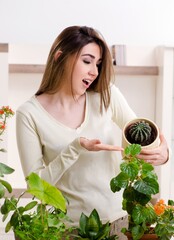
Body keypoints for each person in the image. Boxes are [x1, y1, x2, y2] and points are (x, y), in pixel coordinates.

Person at [16, 26, 169, 239]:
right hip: (66, 231)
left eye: (97, 64)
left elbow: (142, 138)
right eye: (87, 61)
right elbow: (36, 187)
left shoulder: (107, 96)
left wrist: (163, 153)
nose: (94, 72)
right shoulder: (29, 114)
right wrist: (76, 147)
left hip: (119, 225)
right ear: (60, 57)